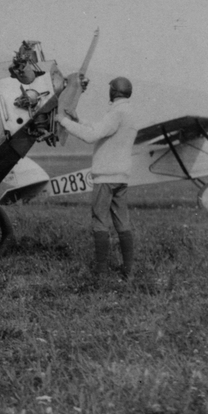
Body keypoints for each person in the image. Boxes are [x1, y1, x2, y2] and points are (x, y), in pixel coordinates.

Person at [57, 77, 139, 279]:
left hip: (106, 177)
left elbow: (92, 136)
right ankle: (128, 271)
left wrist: (64, 121)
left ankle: (101, 272)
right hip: (121, 176)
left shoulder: (116, 112)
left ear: (113, 91)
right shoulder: (129, 112)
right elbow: (102, 129)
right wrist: (78, 120)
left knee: (99, 222)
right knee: (123, 222)